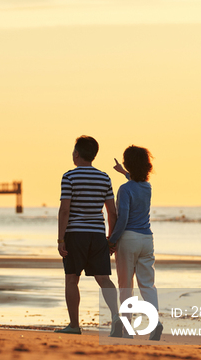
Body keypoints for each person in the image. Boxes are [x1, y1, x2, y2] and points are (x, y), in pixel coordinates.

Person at [56, 136, 120, 335]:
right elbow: (112, 211)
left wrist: (60, 239)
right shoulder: (104, 177)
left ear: (76, 154)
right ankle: (117, 319)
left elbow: (64, 210)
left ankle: (74, 325)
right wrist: (112, 238)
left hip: (76, 234)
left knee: (72, 279)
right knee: (104, 279)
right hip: (97, 235)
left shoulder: (69, 177)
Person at [109, 146, 163, 340]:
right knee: (148, 285)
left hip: (128, 239)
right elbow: (135, 181)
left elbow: (122, 219)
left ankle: (127, 329)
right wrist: (124, 173)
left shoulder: (125, 189)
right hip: (147, 239)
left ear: (127, 163)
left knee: (125, 285)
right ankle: (155, 323)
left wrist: (112, 240)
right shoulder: (147, 187)